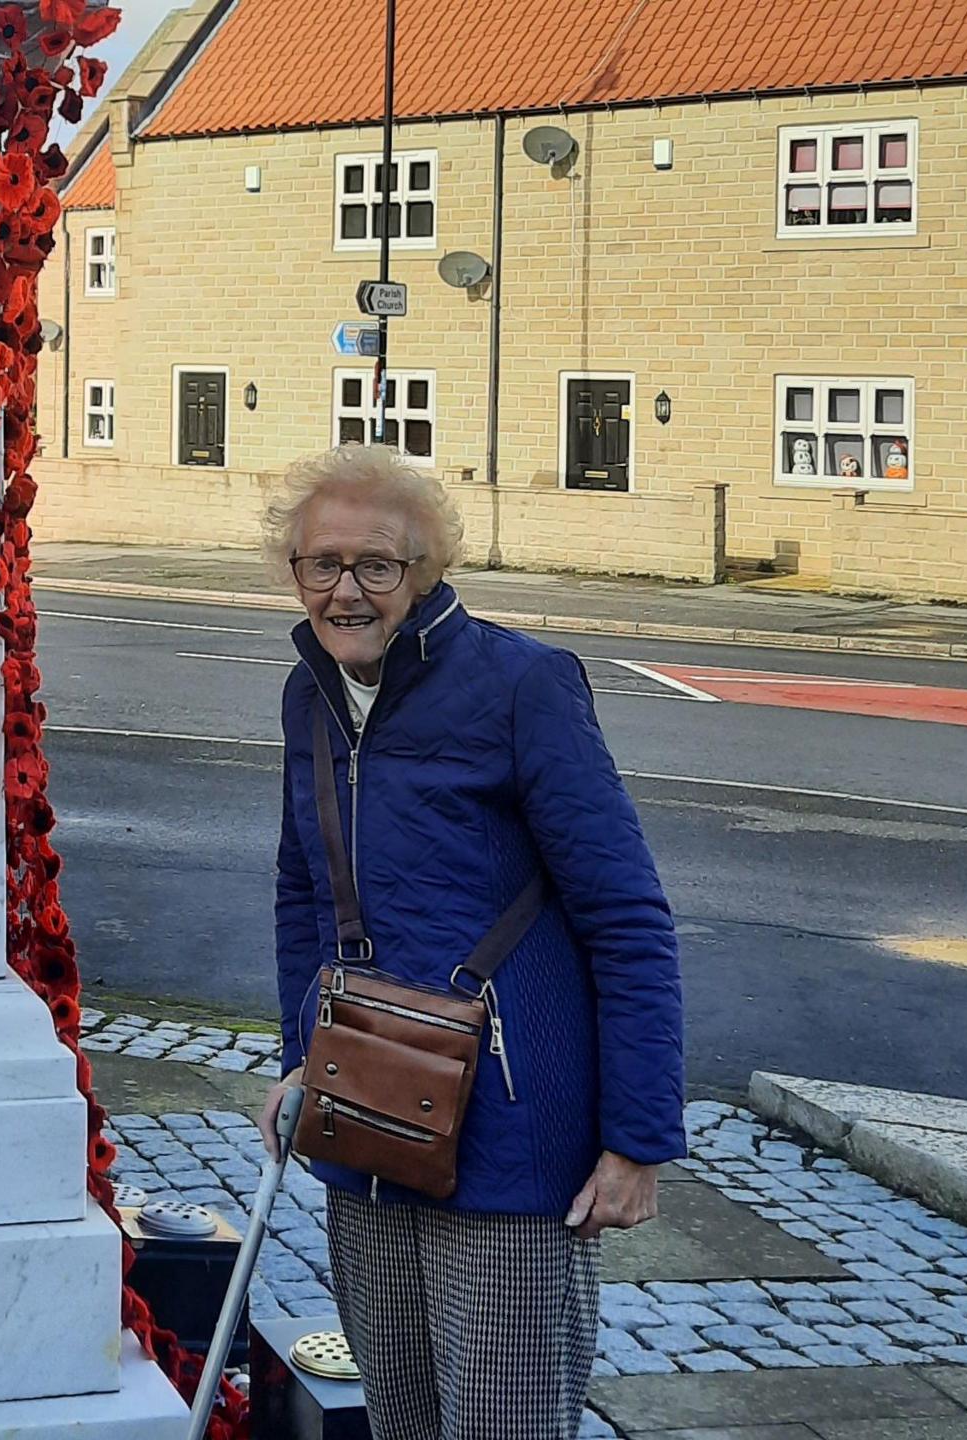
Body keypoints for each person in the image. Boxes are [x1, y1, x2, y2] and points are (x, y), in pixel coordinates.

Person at [259, 444, 686, 1440]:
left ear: (427, 569)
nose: (346, 591)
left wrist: (635, 1140)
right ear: (295, 574)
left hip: (509, 1138)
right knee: (399, 1421)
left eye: (377, 565)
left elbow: (627, 919)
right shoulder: (308, 693)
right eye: (322, 564)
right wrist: (296, 1058)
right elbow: (301, 892)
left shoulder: (522, 686)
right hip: (365, 1122)